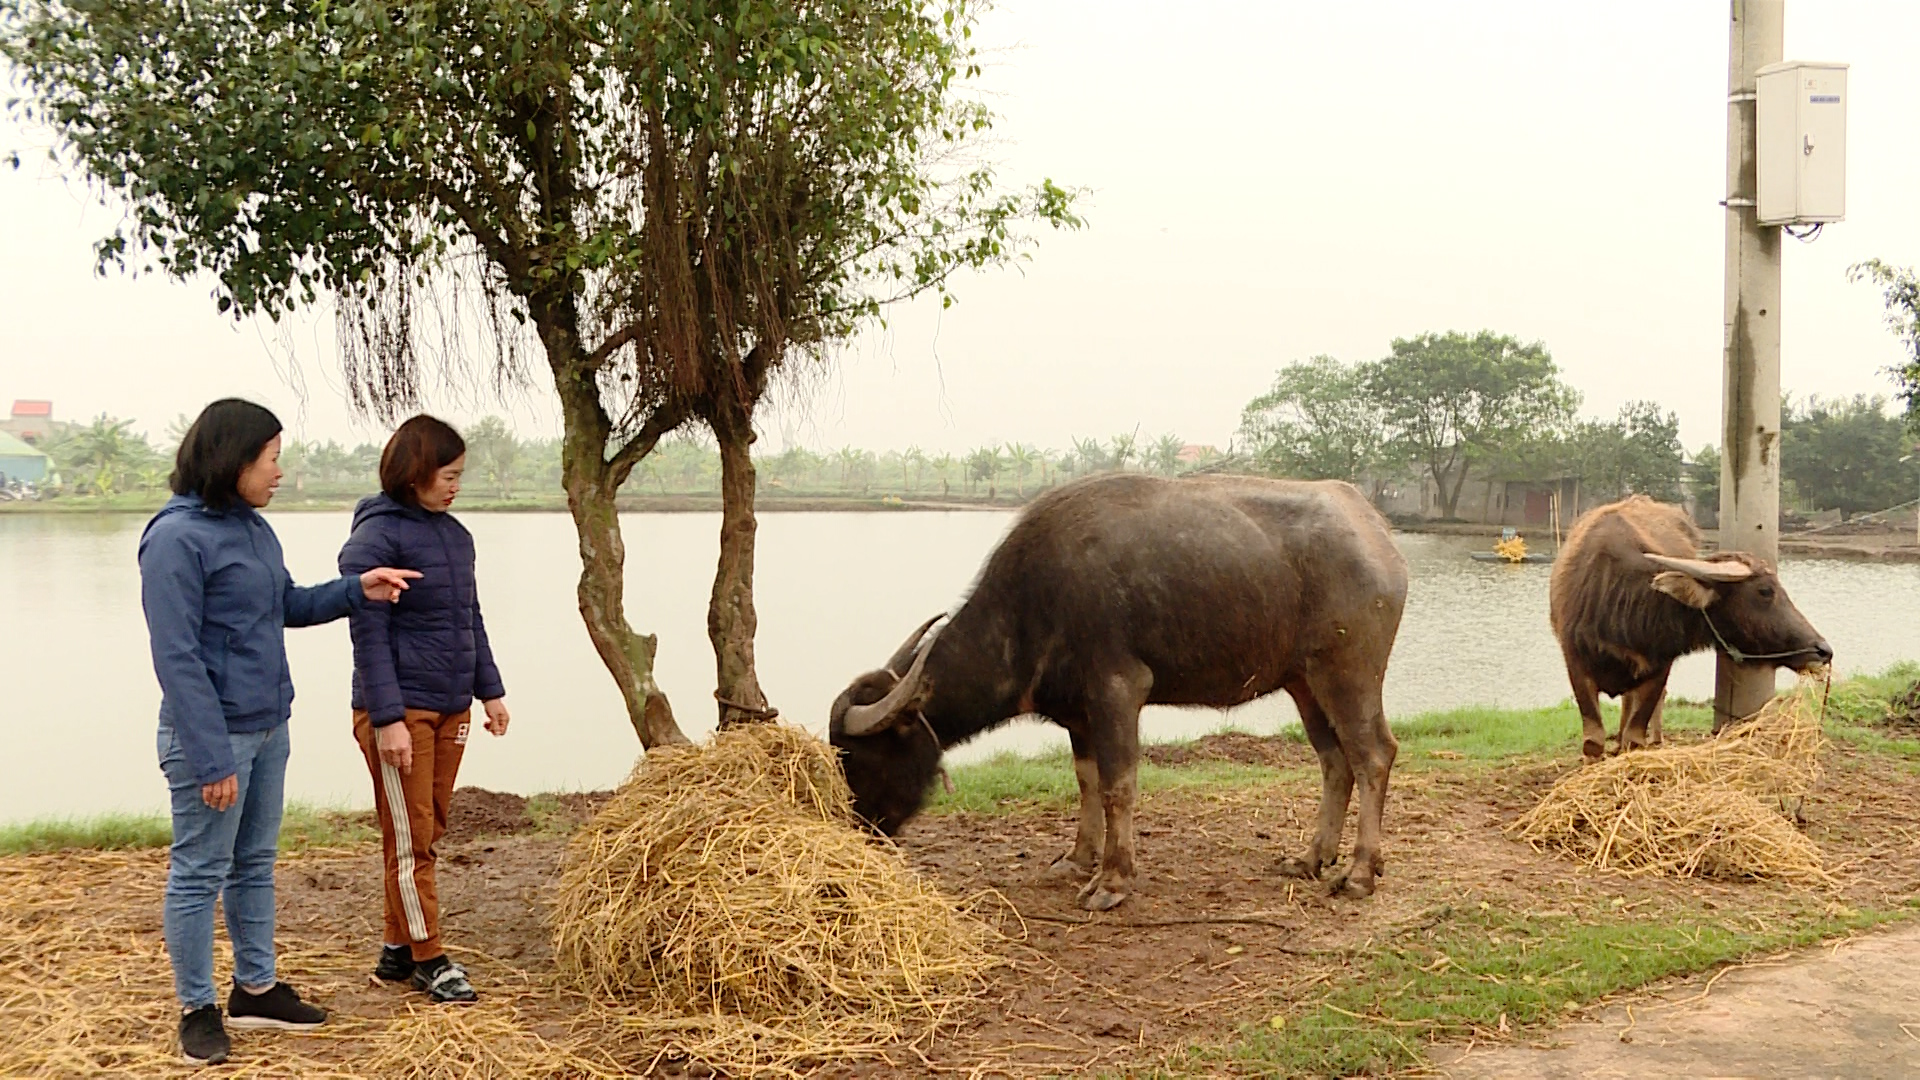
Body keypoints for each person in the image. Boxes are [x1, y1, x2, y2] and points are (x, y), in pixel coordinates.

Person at [139, 399, 419, 1067]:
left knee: (255, 864)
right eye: (271, 460)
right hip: (213, 738)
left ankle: (256, 989)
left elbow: (286, 604)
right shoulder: (176, 539)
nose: (280, 473)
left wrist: (358, 588)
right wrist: (210, 760)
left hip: (269, 725)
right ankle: (197, 1008)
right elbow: (176, 658)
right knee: (200, 870)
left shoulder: (252, 529)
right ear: (233, 462)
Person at [338, 415, 510, 1005]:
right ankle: (430, 957)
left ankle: (396, 947)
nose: (455, 485)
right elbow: (368, 639)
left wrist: (490, 691)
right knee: (414, 841)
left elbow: (472, 619)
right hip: (400, 711)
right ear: (414, 474)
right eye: (448, 474)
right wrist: (386, 719)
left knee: (423, 828)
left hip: (450, 704)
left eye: (460, 475)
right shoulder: (375, 539)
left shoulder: (457, 537)